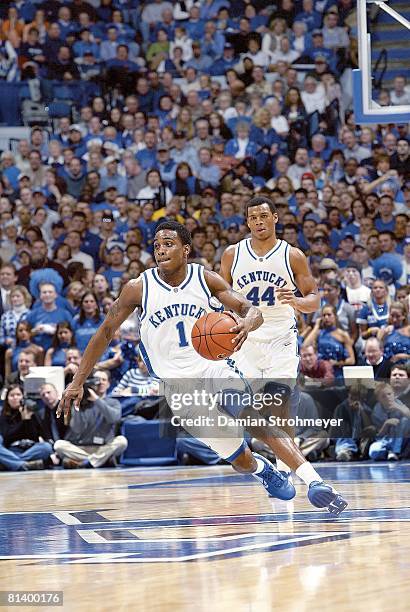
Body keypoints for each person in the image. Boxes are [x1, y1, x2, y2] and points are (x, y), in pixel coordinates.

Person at [58, 220, 347, 514]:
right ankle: (263, 470)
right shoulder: (138, 288)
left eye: (168, 244)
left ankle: (315, 482)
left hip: (214, 367)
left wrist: (248, 322)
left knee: (250, 415)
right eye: (157, 245)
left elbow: (251, 310)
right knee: (240, 460)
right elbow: (105, 332)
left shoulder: (205, 279)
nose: (160, 250)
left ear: (186, 249)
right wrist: (77, 382)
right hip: (177, 386)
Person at [220, 196, 323, 476]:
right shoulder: (233, 254)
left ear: (275, 218)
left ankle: (287, 471)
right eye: (253, 218)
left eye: (263, 216)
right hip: (246, 338)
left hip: (281, 338)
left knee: (281, 405)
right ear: (247, 221)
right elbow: (220, 296)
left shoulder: (292, 255)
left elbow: (315, 300)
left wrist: (298, 302)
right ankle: (257, 455)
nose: (258, 222)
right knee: (236, 407)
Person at [54, 368, 127, 468]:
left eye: (103, 380)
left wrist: (97, 399)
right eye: (97, 379)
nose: (100, 383)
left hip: (103, 447)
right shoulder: (83, 404)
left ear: (109, 384)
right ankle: (100, 461)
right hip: (81, 448)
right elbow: (77, 428)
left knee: (122, 441)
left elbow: (113, 418)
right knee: (59, 445)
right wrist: (77, 403)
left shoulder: (113, 402)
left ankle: (86, 461)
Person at [0, 385, 53, 471]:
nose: (15, 398)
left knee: (46, 447)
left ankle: (13, 463)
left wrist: (28, 420)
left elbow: (36, 436)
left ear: (23, 396)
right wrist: (23, 421)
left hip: (31, 450)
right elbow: (6, 436)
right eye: (12, 395)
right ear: (7, 399)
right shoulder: (3, 415)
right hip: (12, 450)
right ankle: (24, 465)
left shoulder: (32, 411)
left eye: (18, 394)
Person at [303, 304, 355, 378]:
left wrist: (336, 363)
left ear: (335, 316)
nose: (326, 317)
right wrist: (316, 327)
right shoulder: (318, 333)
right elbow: (305, 345)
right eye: (324, 315)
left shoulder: (343, 335)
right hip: (321, 373)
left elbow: (352, 360)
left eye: (329, 315)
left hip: (337, 374)